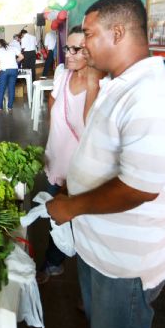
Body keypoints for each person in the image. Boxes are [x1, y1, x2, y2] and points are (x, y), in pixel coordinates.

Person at [45, 0, 165, 328]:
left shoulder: (156, 95)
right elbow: (95, 152)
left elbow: (138, 188)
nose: (82, 45)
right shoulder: (116, 85)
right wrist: (71, 186)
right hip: (97, 249)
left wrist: (70, 206)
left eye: (88, 34)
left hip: (124, 266)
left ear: (117, 33)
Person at [38, 26, 105, 284]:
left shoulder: (100, 84)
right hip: (56, 160)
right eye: (68, 47)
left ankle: (88, 286)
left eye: (77, 49)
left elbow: (93, 131)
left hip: (81, 170)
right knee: (56, 217)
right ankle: (54, 263)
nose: (69, 53)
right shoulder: (62, 75)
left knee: (84, 224)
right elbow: (53, 104)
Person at [0, 39, 23, 112]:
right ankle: (10, 107)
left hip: (4, 70)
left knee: (1, 89)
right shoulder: (13, 48)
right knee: (11, 88)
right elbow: (21, 57)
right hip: (14, 70)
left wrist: (3, 64)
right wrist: (15, 61)